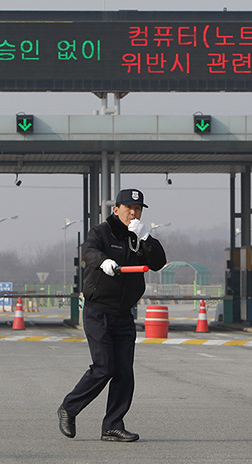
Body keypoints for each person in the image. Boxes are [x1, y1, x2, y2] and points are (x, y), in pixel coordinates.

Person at [58, 188, 167, 442]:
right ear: (116, 209)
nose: (134, 213)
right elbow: (89, 251)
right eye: (129, 208)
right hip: (99, 311)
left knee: (124, 372)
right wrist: (103, 261)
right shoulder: (101, 232)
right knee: (103, 367)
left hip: (124, 313)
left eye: (138, 209)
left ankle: (112, 425)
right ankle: (69, 408)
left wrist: (147, 237)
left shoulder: (138, 236)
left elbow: (159, 262)